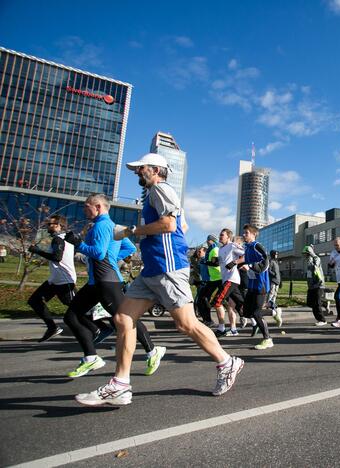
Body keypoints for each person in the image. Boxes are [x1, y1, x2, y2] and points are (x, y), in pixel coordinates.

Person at [76, 153, 243, 406]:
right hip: (152, 269)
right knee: (123, 318)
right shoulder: (157, 195)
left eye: (140, 168)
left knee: (186, 324)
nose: (136, 172)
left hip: (168, 267)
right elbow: (182, 227)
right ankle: (120, 384)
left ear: (155, 170)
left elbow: (168, 225)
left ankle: (227, 362)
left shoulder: (160, 189)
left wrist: (130, 231)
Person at [62, 194, 163, 378]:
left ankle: (153, 351)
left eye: (87, 206)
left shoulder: (101, 225)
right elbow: (130, 248)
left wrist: (78, 244)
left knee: (125, 319)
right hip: (97, 282)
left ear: (98, 207)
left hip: (107, 282)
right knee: (71, 316)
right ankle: (91, 357)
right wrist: (113, 258)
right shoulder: (114, 226)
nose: (84, 210)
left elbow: (99, 253)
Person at [27, 215, 75, 342]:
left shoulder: (58, 240)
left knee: (77, 307)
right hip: (55, 280)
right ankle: (52, 328)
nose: (49, 226)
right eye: (48, 224)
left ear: (60, 226)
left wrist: (36, 250)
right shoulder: (64, 239)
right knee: (34, 300)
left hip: (65, 281)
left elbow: (57, 257)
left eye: (52, 224)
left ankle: (98, 326)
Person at [239, 224, 275, 349]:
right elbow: (247, 262)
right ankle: (273, 312)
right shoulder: (247, 248)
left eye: (246, 233)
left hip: (261, 285)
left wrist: (250, 267)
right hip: (252, 285)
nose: (244, 235)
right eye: (244, 233)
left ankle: (268, 339)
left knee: (256, 313)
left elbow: (265, 263)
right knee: (247, 312)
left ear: (253, 234)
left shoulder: (256, 246)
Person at [211, 228, 244, 337]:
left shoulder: (232, 245)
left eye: (222, 235)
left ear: (228, 237)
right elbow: (220, 262)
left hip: (231, 279)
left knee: (217, 302)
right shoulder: (221, 249)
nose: (220, 237)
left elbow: (246, 254)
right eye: (220, 235)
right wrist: (214, 261)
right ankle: (254, 321)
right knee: (240, 305)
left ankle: (221, 328)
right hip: (226, 279)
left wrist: (234, 262)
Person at [196, 235, 222, 325]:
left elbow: (216, 263)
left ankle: (209, 320)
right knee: (202, 299)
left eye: (208, 240)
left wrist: (205, 262)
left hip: (216, 278)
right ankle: (207, 320)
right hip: (212, 279)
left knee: (205, 299)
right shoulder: (211, 250)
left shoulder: (214, 249)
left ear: (212, 241)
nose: (207, 242)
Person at [302, 245, 327, 325]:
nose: (304, 255)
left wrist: (312, 252)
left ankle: (322, 320)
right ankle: (324, 303)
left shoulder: (316, 259)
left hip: (318, 284)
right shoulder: (308, 261)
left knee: (316, 304)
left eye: (305, 253)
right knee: (310, 303)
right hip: (311, 286)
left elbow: (316, 261)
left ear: (309, 253)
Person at [267, 250, 283, 326]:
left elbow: (278, 272)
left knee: (275, 294)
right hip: (273, 280)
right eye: (276, 254)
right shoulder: (271, 261)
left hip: (277, 280)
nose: (277, 255)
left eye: (277, 254)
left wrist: (280, 281)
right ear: (272, 254)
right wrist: (274, 274)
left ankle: (272, 305)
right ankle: (268, 305)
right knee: (271, 293)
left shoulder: (276, 262)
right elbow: (268, 270)